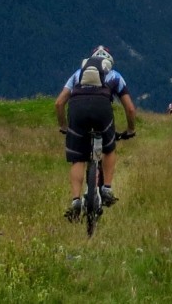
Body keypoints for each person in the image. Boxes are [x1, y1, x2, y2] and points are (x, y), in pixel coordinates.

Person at [54, 45, 138, 221]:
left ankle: (76, 200)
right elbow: (130, 109)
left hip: (77, 110)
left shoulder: (77, 75)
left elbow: (59, 103)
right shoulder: (115, 76)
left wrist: (64, 126)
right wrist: (131, 129)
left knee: (78, 158)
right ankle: (106, 188)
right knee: (109, 148)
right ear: (109, 62)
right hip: (102, 109)